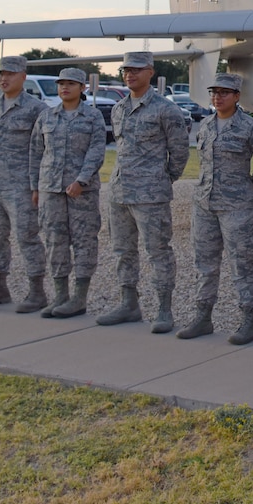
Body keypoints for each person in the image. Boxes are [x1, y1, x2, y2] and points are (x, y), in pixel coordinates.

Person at [176, 72, 253, 344]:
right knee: (205, 264)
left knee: (242, 265)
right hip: (205, 205)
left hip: (238, 208)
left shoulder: (249, 128)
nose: (218, 97)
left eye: (224, 92)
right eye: (214, 92)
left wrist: (248, 188)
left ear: (237, 96)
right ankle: (203, 316)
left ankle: (248, 321)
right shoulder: (206, 125)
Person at [96, 52, 189, 332]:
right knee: (122, 251)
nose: (129, 75)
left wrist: (162, 180)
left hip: (151, 196)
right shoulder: (118, 108)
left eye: (136, 70)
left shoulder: (166, 109)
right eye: (126, 70)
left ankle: (164, 309)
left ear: (150, 71)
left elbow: (180, 152)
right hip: (119, 192)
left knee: (158, 252)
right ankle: (128, 304)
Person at [29, 67, 107, 317]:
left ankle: (79, 298)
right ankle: (60, 295)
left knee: (84, 242)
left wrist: (81, 180)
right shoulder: (47, 116)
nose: (65, 88)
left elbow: (96, 151)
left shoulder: (92, 117)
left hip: (80, 192)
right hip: (50, 189)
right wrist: (35, 186)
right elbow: (36, 152)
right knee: (55, 241)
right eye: (62, 84)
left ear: (83, 88)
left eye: (71, 84)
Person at [0, 56, 47, 307]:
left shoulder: (36, 109)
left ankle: (37, 291)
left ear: (23, 76)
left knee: (27, 237)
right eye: (1, 74)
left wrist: (37, 185)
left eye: (10, 74)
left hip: (22, 185)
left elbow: (43, 150)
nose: (4, 79)